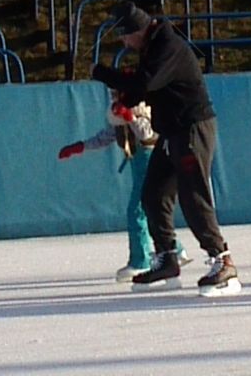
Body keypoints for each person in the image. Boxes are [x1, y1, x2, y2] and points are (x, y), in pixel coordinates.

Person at [91, 0, 241, 297]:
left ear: (136, 31)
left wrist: (105, 75)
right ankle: (167, 259)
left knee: (192, 194)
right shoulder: (152, 47)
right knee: (154, 194)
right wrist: (125, 100)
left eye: (124, 36)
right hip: (172, 132)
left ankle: (223, 262)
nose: (123, 42)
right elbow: (143, 90)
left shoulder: (167, 45)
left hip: (192, 129)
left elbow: (145, 84)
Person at [58, 91, 190, 282]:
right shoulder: (118, 116)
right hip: (138, 161)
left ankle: (141, 260)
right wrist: (80, 147)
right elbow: (107, 136)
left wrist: (131, 116)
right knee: (149, 210)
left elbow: (147, 133)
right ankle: (174, 249)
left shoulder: (144, 108)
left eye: (118, 93)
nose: (114, 98)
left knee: (137, 211)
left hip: (151, 159)